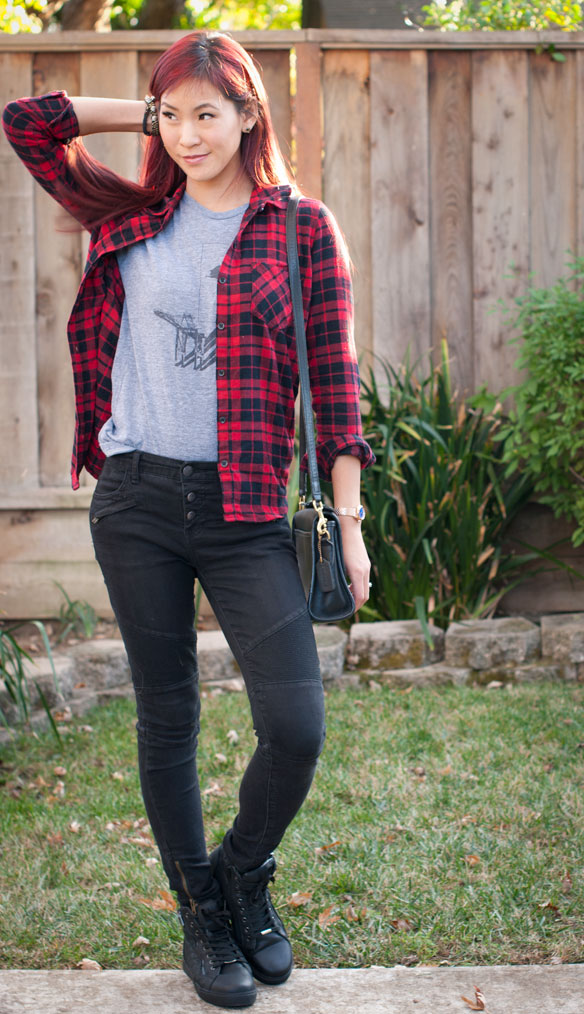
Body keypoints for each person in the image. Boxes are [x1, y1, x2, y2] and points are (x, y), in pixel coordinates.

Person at [3, 30, 374, 1010]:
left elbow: (335, 391)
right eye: (175, 116)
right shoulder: (132, 208)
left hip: (245, 505)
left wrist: (350, 519)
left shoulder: (300, 229)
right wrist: (158, 104)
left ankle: (242, 875)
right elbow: (29, 124)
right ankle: (198, 913)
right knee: (166, 714)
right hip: (133, 499)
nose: (187, 133)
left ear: (251, 113)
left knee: (293, 725)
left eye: (209, 112)